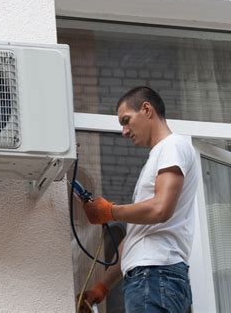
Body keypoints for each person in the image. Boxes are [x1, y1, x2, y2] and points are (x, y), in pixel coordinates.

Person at [79, 86, 198, 313]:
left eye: (126, 120)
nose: (124, 131)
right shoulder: (160, 155)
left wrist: (109, 211)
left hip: (155, 275)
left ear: (146, 109)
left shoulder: (172, 146)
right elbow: (136, 235)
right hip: (153, 276)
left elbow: (160, 209)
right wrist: (102, 287)